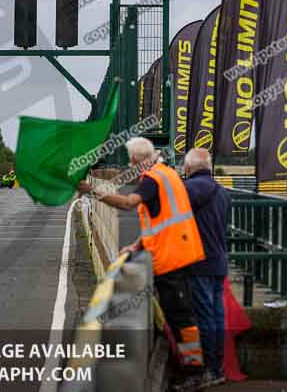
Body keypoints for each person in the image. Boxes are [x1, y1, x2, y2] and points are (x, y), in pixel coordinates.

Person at [77, 137, 206, 387]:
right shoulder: (168, 173)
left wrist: (90, 190)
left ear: (137, 161)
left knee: (181, 317)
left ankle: (194, 372)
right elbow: (161, 220)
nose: (128, 165)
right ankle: (190, 365)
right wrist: (137, 244)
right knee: (179, 314)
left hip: (170, 259)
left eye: (130, 161)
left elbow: (127, 204)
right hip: (180, 252)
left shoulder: (152, 180)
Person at [182, 148, 230, 388]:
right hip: (218, 261)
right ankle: (218, 367)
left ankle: (208, 370)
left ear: (189, 168)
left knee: (204, 317)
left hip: (200, 262)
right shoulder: (222, 191)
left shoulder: (192, 188)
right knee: (217, 316)